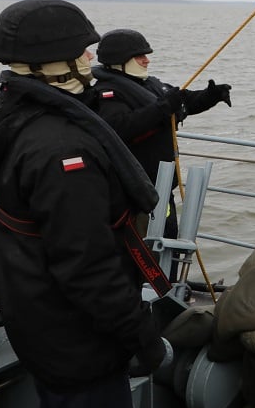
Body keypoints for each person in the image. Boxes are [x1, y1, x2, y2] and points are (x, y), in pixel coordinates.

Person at [0, 0, 165, 408]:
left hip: (38, 328)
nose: (91, 59)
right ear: (53, 63)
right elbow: (86, 267)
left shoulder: (10, 117)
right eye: (83, 51)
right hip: (78, 343)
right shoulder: (64, 150)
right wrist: (140, 334)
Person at [91, 28, 231, 275]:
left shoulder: (149, 85)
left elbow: (181, 101)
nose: (147, 60)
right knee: (145, 252)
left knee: (169, 242)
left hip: (162, 187)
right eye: (140, 56)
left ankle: (170, 284)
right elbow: (119, 128)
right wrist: (163, 108)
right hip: (136, 193)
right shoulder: (108, 94)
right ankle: (149, 288)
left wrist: (211, 95)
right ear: (120, 60)